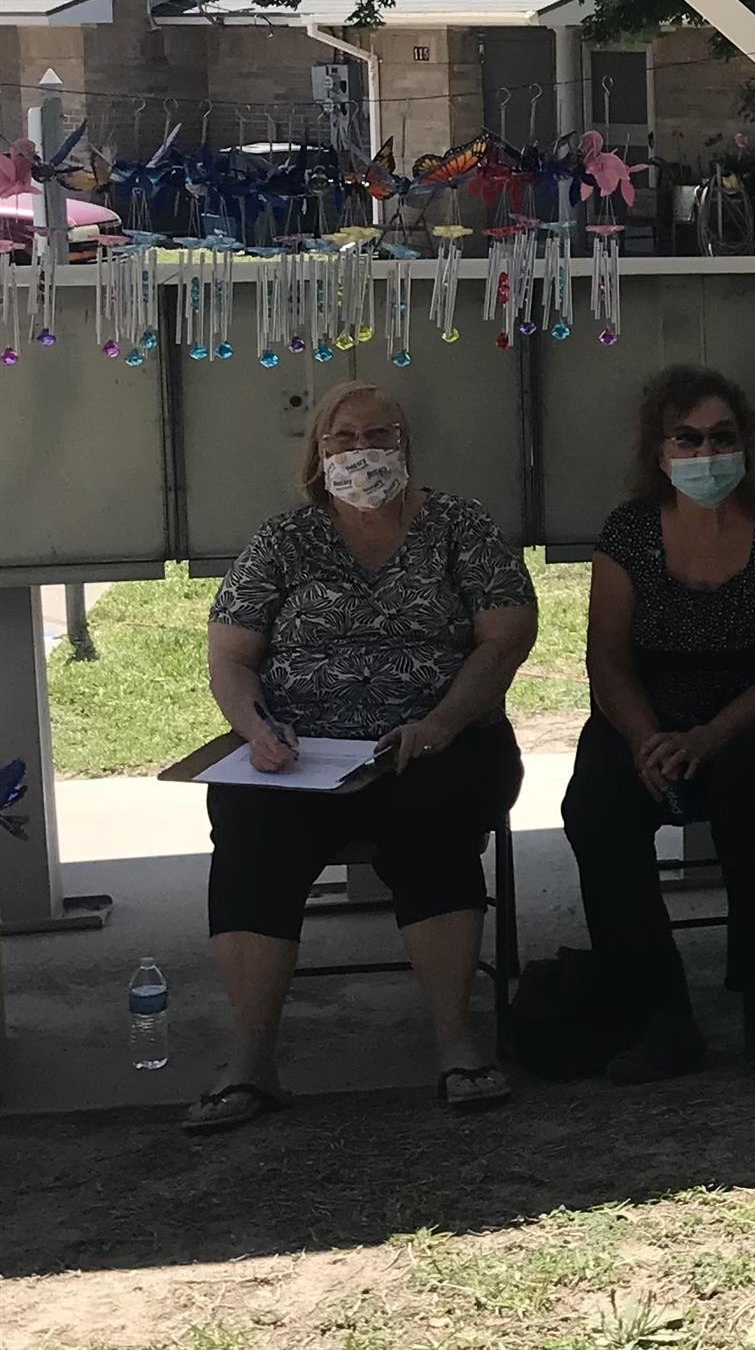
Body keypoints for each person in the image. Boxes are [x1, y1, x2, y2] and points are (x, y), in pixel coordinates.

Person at [191, 383, 537, 1132]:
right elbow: (231, 658)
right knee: (249, 822)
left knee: (432, 815)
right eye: (343, 437)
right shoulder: (284, 540)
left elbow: (506, 639)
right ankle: (249, 1061)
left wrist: (441, 722)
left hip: (438, 742)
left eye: (380, 434)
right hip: (304, 755)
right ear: (319, 454)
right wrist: (257, 730)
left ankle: (457, 1043)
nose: (361, 450)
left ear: (406, 444)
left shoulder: (460, 526)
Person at [562, 365, 755, 1080]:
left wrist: (713, 734)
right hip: (653, 712)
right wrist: (643, 740)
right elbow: (607, 658)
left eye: (722, 437)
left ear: (747, 443)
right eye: (686, 439)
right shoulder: (628, 531)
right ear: (658, 452)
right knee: (595, 802)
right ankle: (660, 1014)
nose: (706, 452)